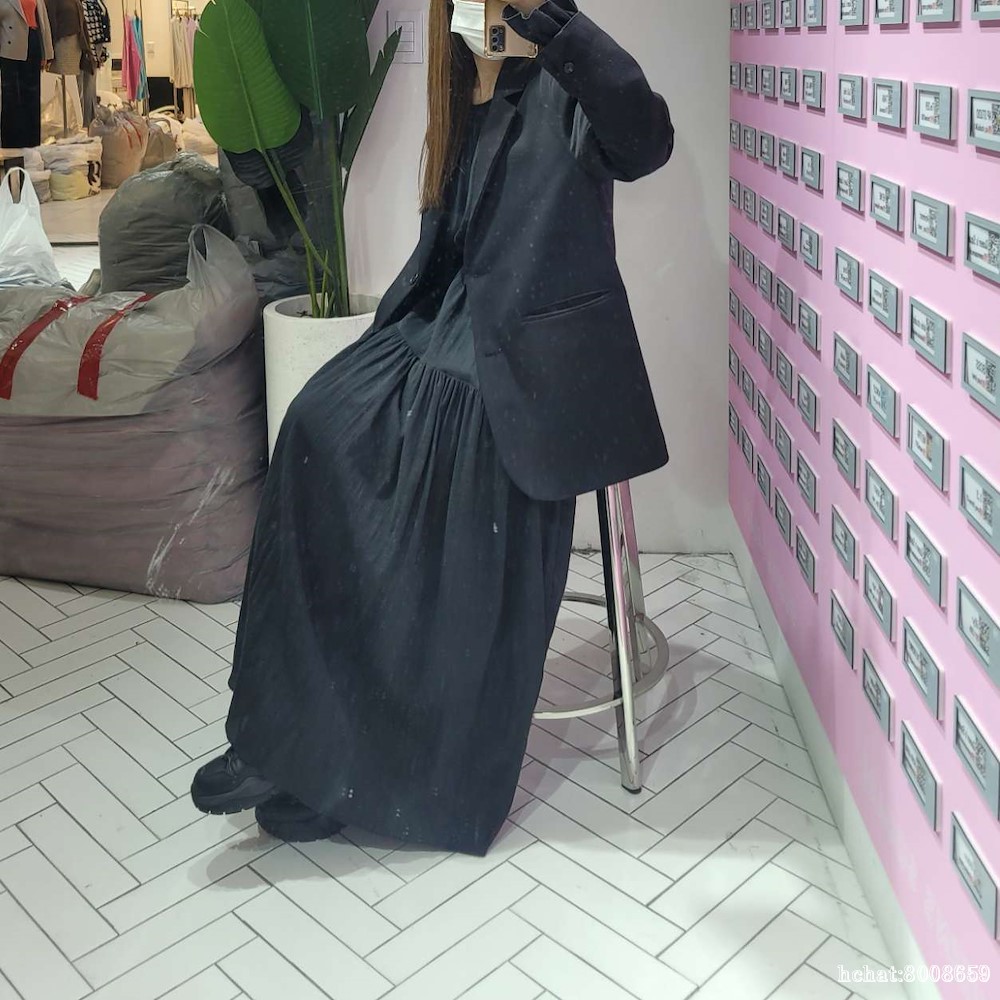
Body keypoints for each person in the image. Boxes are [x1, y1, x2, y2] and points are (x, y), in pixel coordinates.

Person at [191, 0, 674, 857]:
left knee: (433, 460)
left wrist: (559, 30)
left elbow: (647, 140)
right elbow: (447, 247)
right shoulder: (456, 91)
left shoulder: (566, 83)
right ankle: (297, 747)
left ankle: (352, 766)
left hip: (526, 356)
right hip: (441, 325)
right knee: (315, 424)